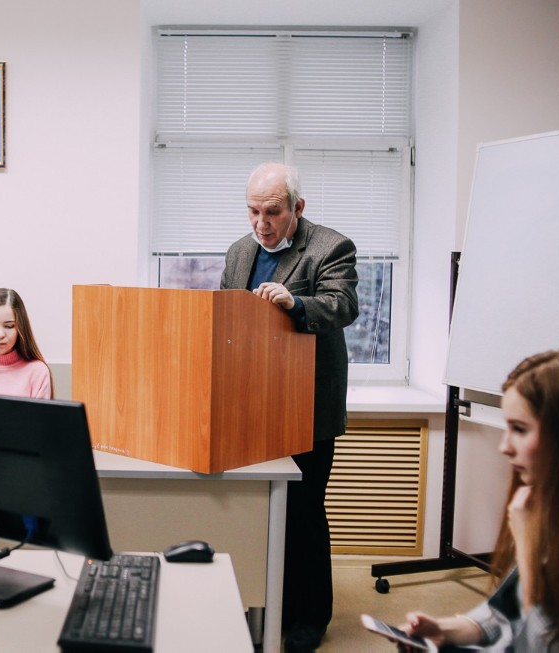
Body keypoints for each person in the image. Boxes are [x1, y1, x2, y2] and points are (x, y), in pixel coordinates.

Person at [220, 162, 359, 651]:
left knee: (303, 514)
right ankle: (265, 604)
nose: (261, 224)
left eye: (273, 213)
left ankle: (308, 619)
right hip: (252, 405)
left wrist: (296, 303)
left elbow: (343, 305)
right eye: (253, 212)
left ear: (297, 207)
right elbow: (228, 316)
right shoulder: (240, 252)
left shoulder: (330, 247)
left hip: (307, 408)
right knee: (256, 512)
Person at [400, 348, 559, 651]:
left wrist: (529, 553)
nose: (504, 447)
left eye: (519, 429)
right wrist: (447, 630)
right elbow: (505, 614)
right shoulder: (556, 508)